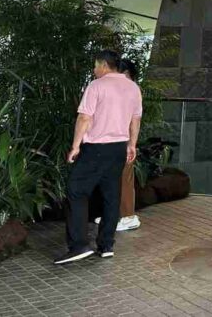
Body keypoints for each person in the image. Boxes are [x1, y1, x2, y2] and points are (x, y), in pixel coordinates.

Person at [54, 50, 142, 265]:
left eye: (95, 66)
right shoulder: (133, 87)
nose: (94, 70)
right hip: (118, 149)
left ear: (103, 65)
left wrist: (75, 146)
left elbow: (84, 117)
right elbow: (135, 119)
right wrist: (132, 144)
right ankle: (106, 245)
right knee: (111, 196)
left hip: (96, 148)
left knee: (75, 190)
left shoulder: (97, 86)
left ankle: (78, 246)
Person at [94, 58, 142, 232]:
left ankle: (128, 216)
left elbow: (134, 119)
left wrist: (131, 143)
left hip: (124, 139)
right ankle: (115, 215)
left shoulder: (130, 90)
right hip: (116, 139)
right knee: (113, 178)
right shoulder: (127, 90)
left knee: (124, 178)